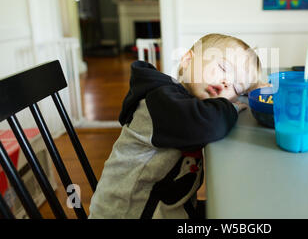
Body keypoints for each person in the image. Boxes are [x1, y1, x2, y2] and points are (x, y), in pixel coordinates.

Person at [89, 33, 263, 219]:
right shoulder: (159, 102)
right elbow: (208, 124)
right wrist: (232, 106)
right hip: (128, 212)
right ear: (188, 60)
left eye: (236, 87)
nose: (226, 82)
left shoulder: (182, 100)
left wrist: (254, 89)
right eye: (222, 67)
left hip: (166, 208)